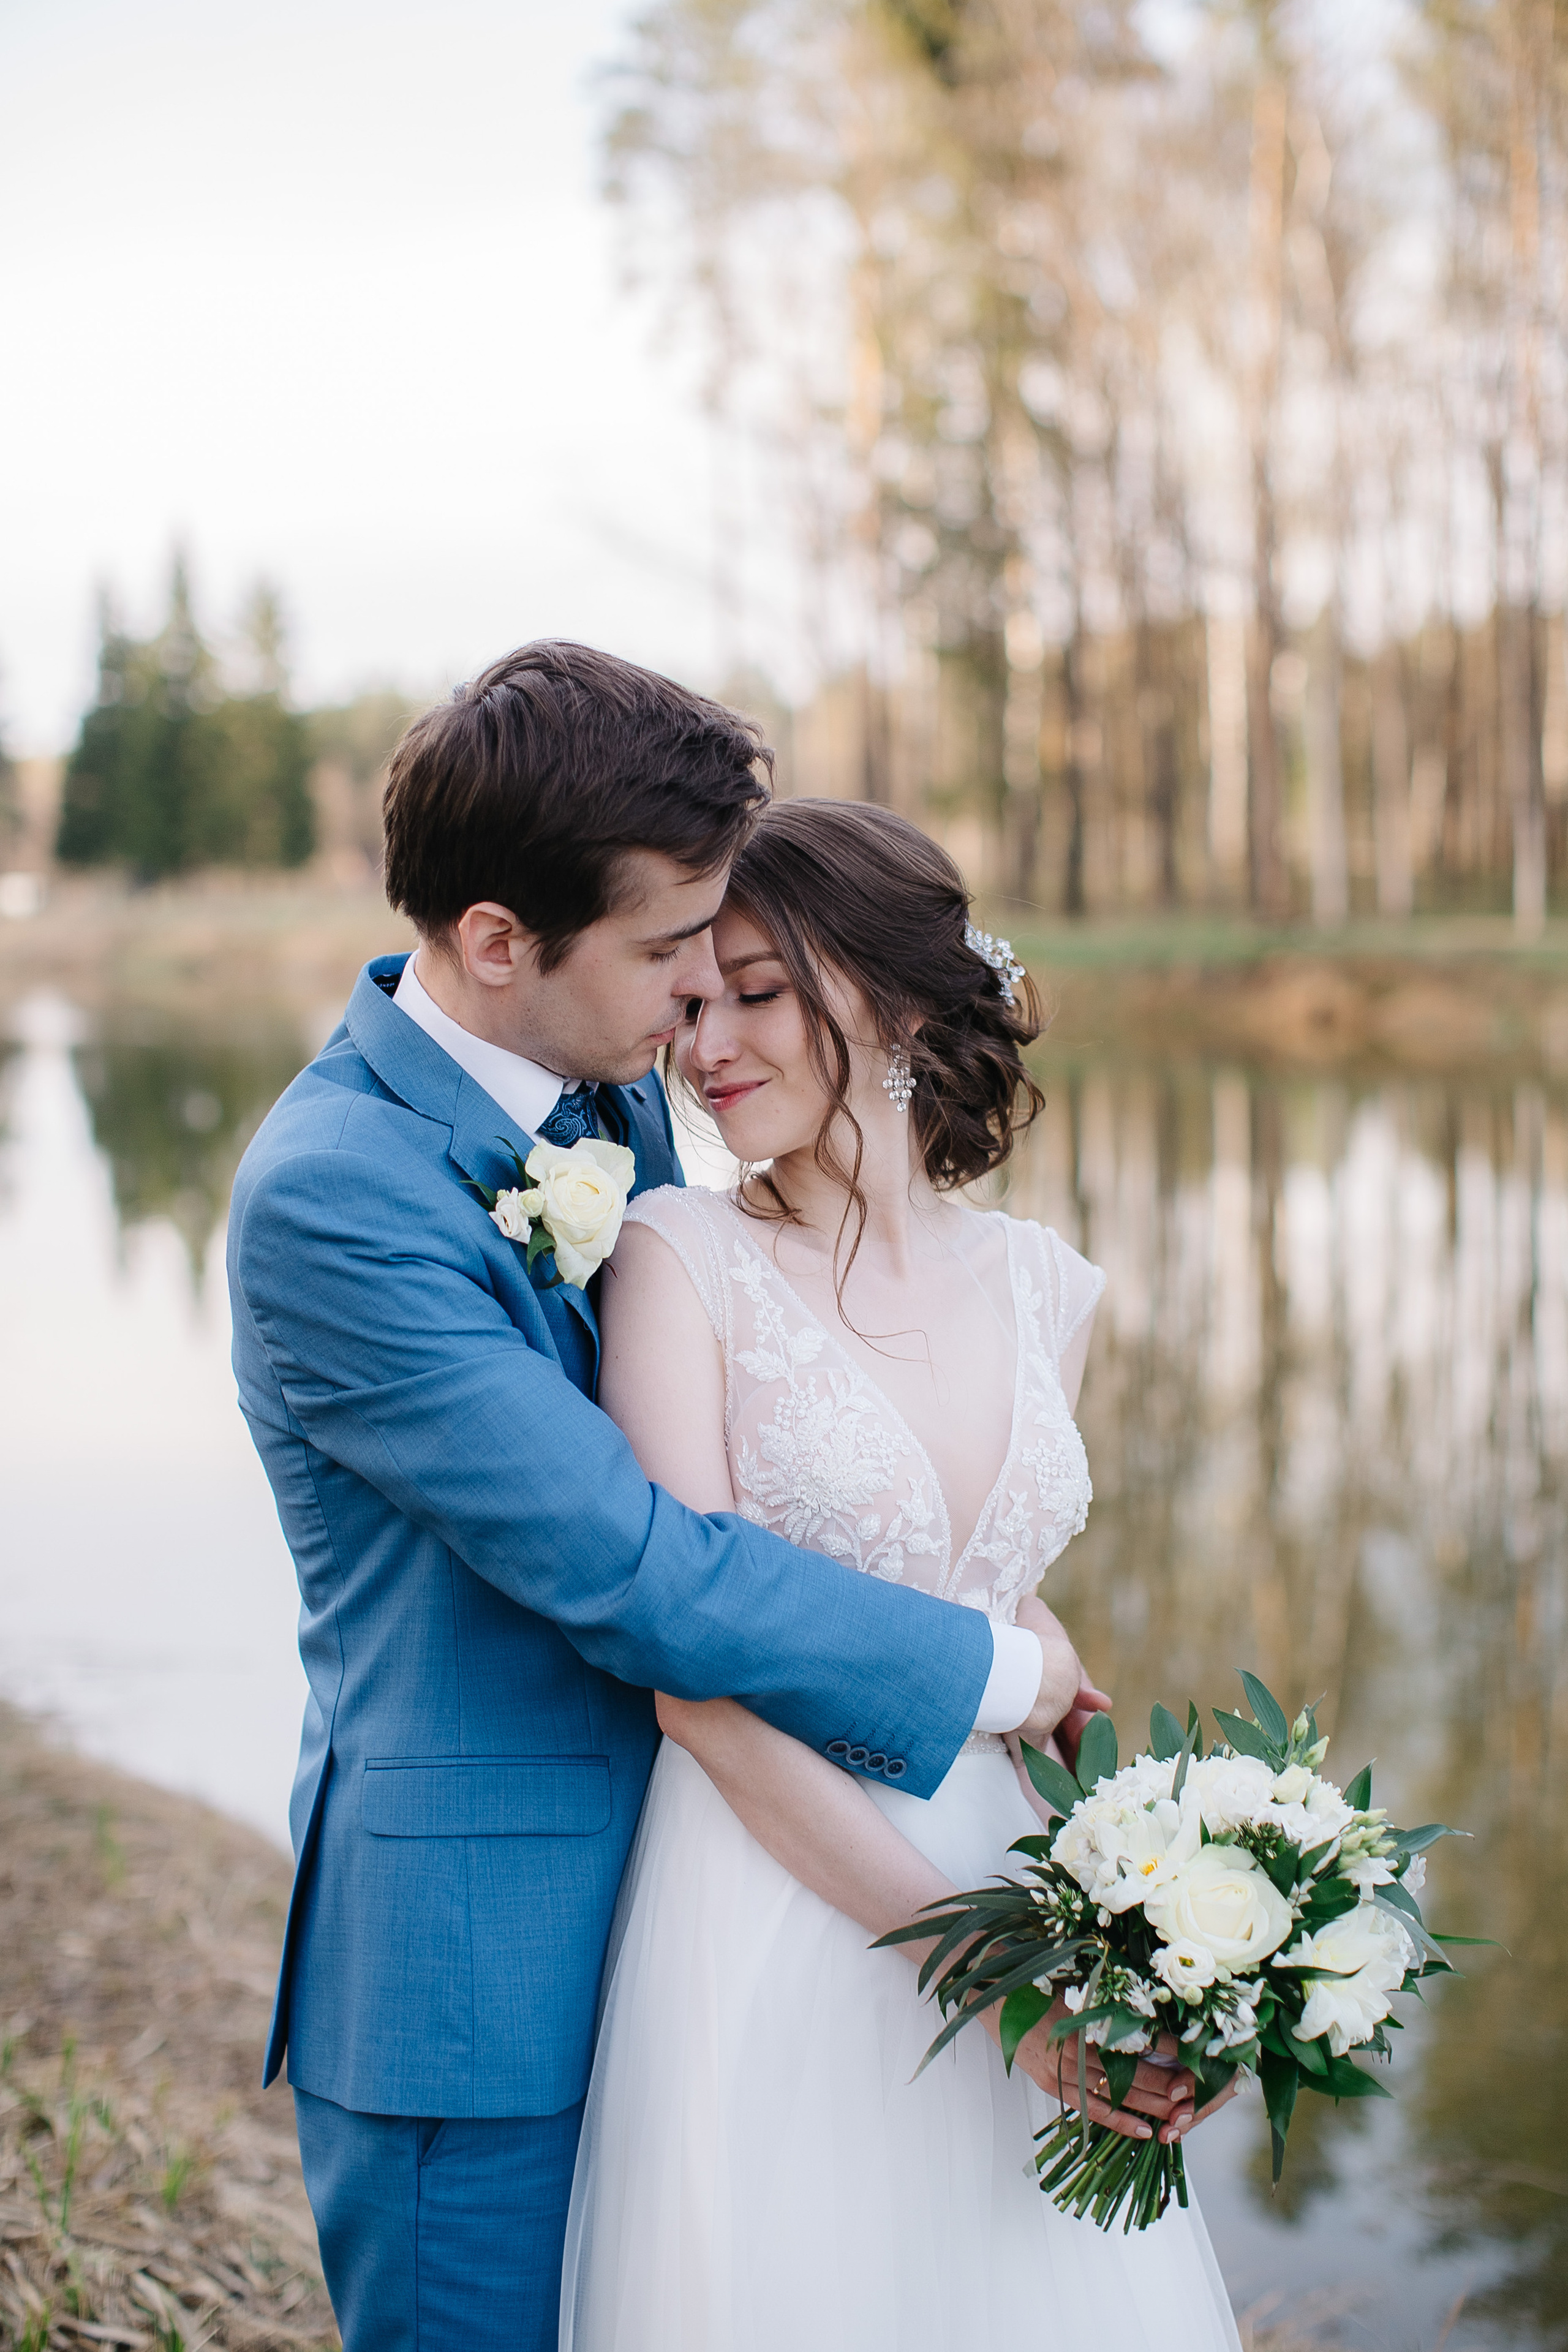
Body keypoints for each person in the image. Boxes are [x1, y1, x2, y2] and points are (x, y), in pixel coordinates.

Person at [225, 645, 1169, 2352]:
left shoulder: (609, 1110)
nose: (695, 1018)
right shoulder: (335, 1194)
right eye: (673, 955)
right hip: (483, 1973)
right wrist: (994, 1668)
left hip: (715, 1907)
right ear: (503, 942)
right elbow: (641, 1568)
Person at [560, 797, 1242, 2352]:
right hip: (774, 1893)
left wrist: (1133, 1868)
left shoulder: (1044, 1284)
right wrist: (980, 1979)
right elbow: (695, 1687)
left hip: (1009, 1861)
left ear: (890, 999)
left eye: (757, 991)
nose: (706, 1041)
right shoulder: (677, 1256)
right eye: (692, 999)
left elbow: (964, 1577)